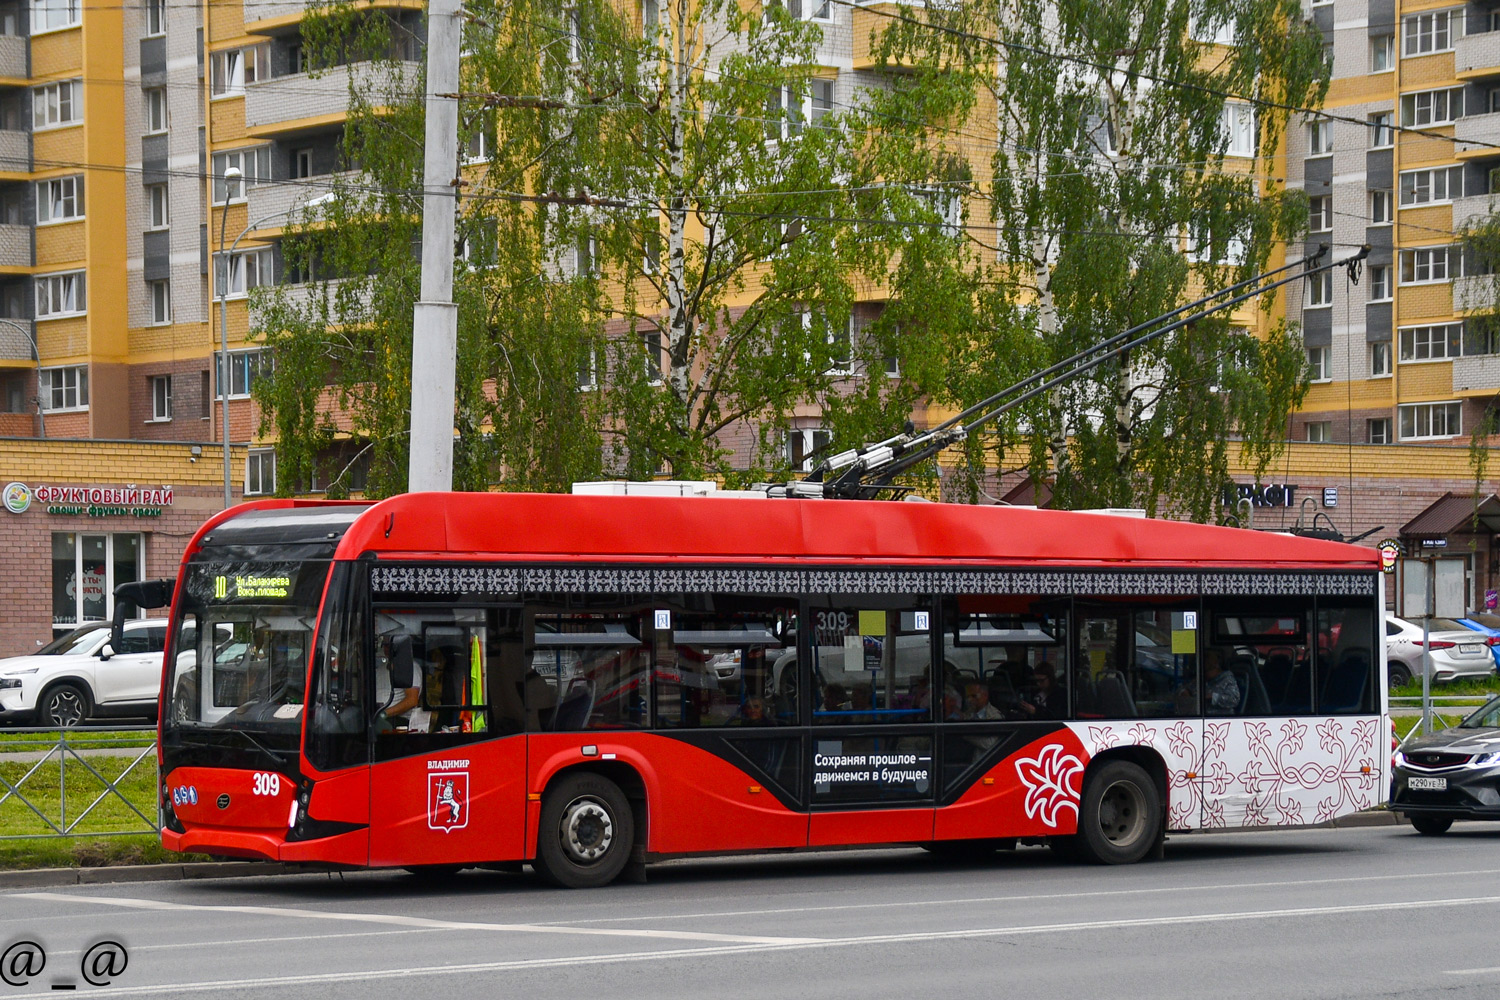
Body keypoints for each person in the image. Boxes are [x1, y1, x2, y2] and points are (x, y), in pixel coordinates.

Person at [378, 633, 428, 732]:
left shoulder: (411, 667)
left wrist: (384, 714)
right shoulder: (380, 669)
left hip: (398, 722)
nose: (387, 649)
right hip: (378, 718)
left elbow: (412, 700)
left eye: (391, 645)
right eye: (385, 645)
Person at [1203, 650, 1241, 715]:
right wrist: (1185, 691)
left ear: (1216, 666)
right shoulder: (1205, 680)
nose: (1205, 674)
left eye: (1208, 670)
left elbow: (1234, 700)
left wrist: (1213, 697)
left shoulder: (1227, 679)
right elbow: (1187, 687)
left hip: (1221, 717)